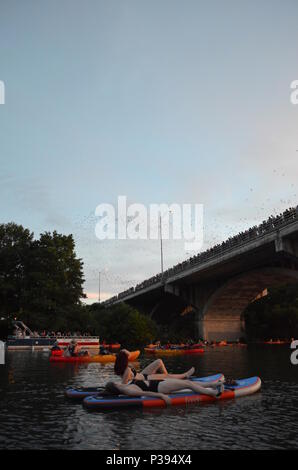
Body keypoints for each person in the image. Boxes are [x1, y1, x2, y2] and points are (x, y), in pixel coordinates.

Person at [105, 378, 224, 406]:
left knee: (187, 382)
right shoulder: (127, 390)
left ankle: (212, 384)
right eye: (114, 382)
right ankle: (213, 393)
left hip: (159, 382)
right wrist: (161, 396)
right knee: (188, 384)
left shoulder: (124, 386)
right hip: (159, 387)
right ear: (115, 385)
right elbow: (146, 394)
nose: (117, 382)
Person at [115, 349, 199, 385]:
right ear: (124, 360)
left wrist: (123, 353)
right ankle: (185, 375)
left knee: (159, 361)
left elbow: (126, 353)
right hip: (145, 379)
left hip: (142, 375)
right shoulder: (127, 370)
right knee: (166, 375)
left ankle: (167, 380)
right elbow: (124, 385)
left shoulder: (121, 367)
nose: (128, 356)